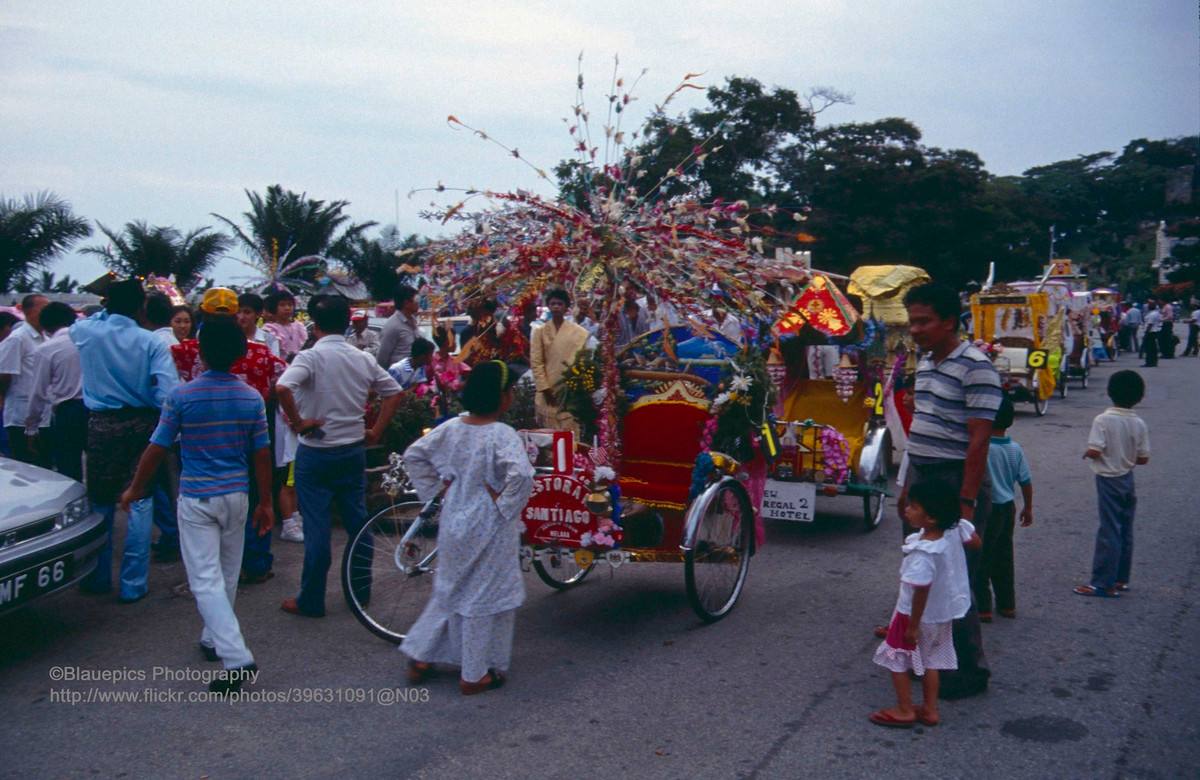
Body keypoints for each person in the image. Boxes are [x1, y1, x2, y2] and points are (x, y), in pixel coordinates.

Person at [120, 319, 273, 695]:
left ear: (200, 350)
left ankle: (236, 657)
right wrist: (266, 502)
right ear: (241, 353)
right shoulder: (251, 397)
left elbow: (157, 448)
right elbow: (262, 456)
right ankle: (211, 640)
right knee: (228, 574)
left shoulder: (182, 397)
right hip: (237, 496)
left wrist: (135, 489)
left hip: (197, 497)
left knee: (204, 580)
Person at [401, 361, 536, 695]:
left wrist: (436, 492)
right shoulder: (502, 434)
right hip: (489, 523)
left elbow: (414, 455)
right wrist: (504, 505)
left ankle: (422, 654)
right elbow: (522, 476)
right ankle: (474, 672)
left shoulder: (452, 428)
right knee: (482, 595)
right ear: (504, 397)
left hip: (455, 517)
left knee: (451, 587)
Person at [897, 282, 1002, 699]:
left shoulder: (976, 366)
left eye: (923, 321)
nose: (915, 329)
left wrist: (966, 505)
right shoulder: (925, 362)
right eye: (912, 321)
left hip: (954, 482)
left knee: (956, 585)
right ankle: (930, 662)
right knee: (923, 576)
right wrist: (907, 488)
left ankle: (968, 674)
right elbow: (923, 426)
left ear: (948, 322)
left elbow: (979, 441)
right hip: (924, 478)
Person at [276, 294, 402, 618]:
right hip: (351, 451)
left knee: (316, 529)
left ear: (314, 326)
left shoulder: (309, 358)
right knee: (358, 524)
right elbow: (394, 393)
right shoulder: (360, 357)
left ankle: (311, 599)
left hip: (316, 453)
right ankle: (360, 592)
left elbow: (281, 388)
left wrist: (297, 422)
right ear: (348, 323)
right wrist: (376, 430)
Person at [71, 279, 181, 601]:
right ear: (140, 307)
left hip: (102, 424)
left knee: (102, 501)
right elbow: (166, 392)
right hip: (142, 424)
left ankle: (98, 575)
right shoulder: (150, 341)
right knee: (140, 499)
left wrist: (107, 313)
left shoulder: (86, 333)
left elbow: (84, 321)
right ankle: (133, 584)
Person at [171, 288, 288, 583]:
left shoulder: (184, 351)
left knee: (205, 512)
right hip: (249, 436)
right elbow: (283, 383)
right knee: (253, 502)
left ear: (204, 315)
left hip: (201, 443)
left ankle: (213, 570)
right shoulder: (261, 353)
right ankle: (256, 562)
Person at [870, 481, 981, 728]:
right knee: (933, 661)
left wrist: (912, 626)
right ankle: (930, 709)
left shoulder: (923, 555)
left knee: (895, 658)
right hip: (943, 613)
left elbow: (920, 590)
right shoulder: (954, 529)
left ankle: (905, 709)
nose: (907, 509)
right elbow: (975, 542)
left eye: (913, 506)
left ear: (930, 518)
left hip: (914, 616)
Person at [1073, 370, 1150, 598]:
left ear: (1108, 393)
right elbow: (1143, 458)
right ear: (1140, 397)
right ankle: (1120, 578)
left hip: (1108, 479)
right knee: (1125, 529)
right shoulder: (1139, 423)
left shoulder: (1103, 420)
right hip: (1127, 477)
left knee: (1108, 529)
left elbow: (1096, 449)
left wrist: (1089, 453)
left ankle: (1102, 582)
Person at [975, 395, 1033, 621]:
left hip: (986, 510)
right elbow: (1025, 481)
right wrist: (1028, 508)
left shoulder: (983, 447)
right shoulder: (1015, 449)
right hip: (1008, 508)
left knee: (981, 558)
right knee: (1004, 556)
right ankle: (1007, 604)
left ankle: (983, 607)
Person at [24, 302, 86, 482]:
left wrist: (32, 428)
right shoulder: (89, 341)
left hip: (68, 412)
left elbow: (38, 392)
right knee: (101, 469)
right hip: (97, 408)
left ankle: (75, 507)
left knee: (69, 468)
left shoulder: (46, 349)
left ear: (46, 327)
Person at [530, 288, 591, 435]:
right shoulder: (540, 332)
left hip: (570, 389)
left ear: (566, 307)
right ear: (549, 306)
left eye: (560, 304)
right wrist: (544, 388)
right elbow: (536, 362)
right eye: (553, 303)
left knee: (570, 436)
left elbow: (583, 362)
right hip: (547, 389)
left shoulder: (580, 333)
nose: (556, 307)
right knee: (548, 439)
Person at [0, 293, 51, 467]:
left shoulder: (47, 338)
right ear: (28, 312)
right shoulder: (17, 339)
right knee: (26, 465)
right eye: (43, 308)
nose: (47, 313)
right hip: (21, 416)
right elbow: (4, 375)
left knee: (45, 465)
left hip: (43, 415)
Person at [376, 285, 420, 369]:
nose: (419, 302)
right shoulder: (393, 326)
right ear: (406, 303)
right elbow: (382, 358)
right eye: (416, 300)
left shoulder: (413, 321)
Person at [261, 290, 307, 362]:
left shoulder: (298, 326)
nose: (287, 308)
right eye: (282, 305)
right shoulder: (270, 329)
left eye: (290, 304)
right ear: (274, 307)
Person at [236, 293, 281, 358]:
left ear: (258, 314)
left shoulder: (269, 340)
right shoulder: (229, 338)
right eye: (238, 312)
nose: (241, 317)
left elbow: (275, 365)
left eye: (247, 312)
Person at [1141, 302, 1162, 367]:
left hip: (1150, 332)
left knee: (1149, 348)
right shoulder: (1156, 313)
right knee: (1153, 348)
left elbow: (1150, 324)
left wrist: (1146, 333)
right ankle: (1153, 361)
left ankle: (1149, 362)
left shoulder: (1152, 314)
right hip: (1154, 332)